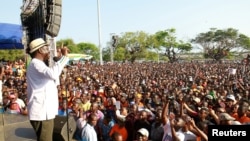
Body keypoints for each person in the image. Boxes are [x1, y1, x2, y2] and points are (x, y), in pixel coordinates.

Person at [26, 38, 69, 141]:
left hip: (44, 112)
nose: (49, 50)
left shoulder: (38, 64)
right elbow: (53, 74)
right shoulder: (36, 63)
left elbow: (53, 77)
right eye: (47, 48)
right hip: (42, 114)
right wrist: (64, 57)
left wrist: (59, 60)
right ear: (40, 50)